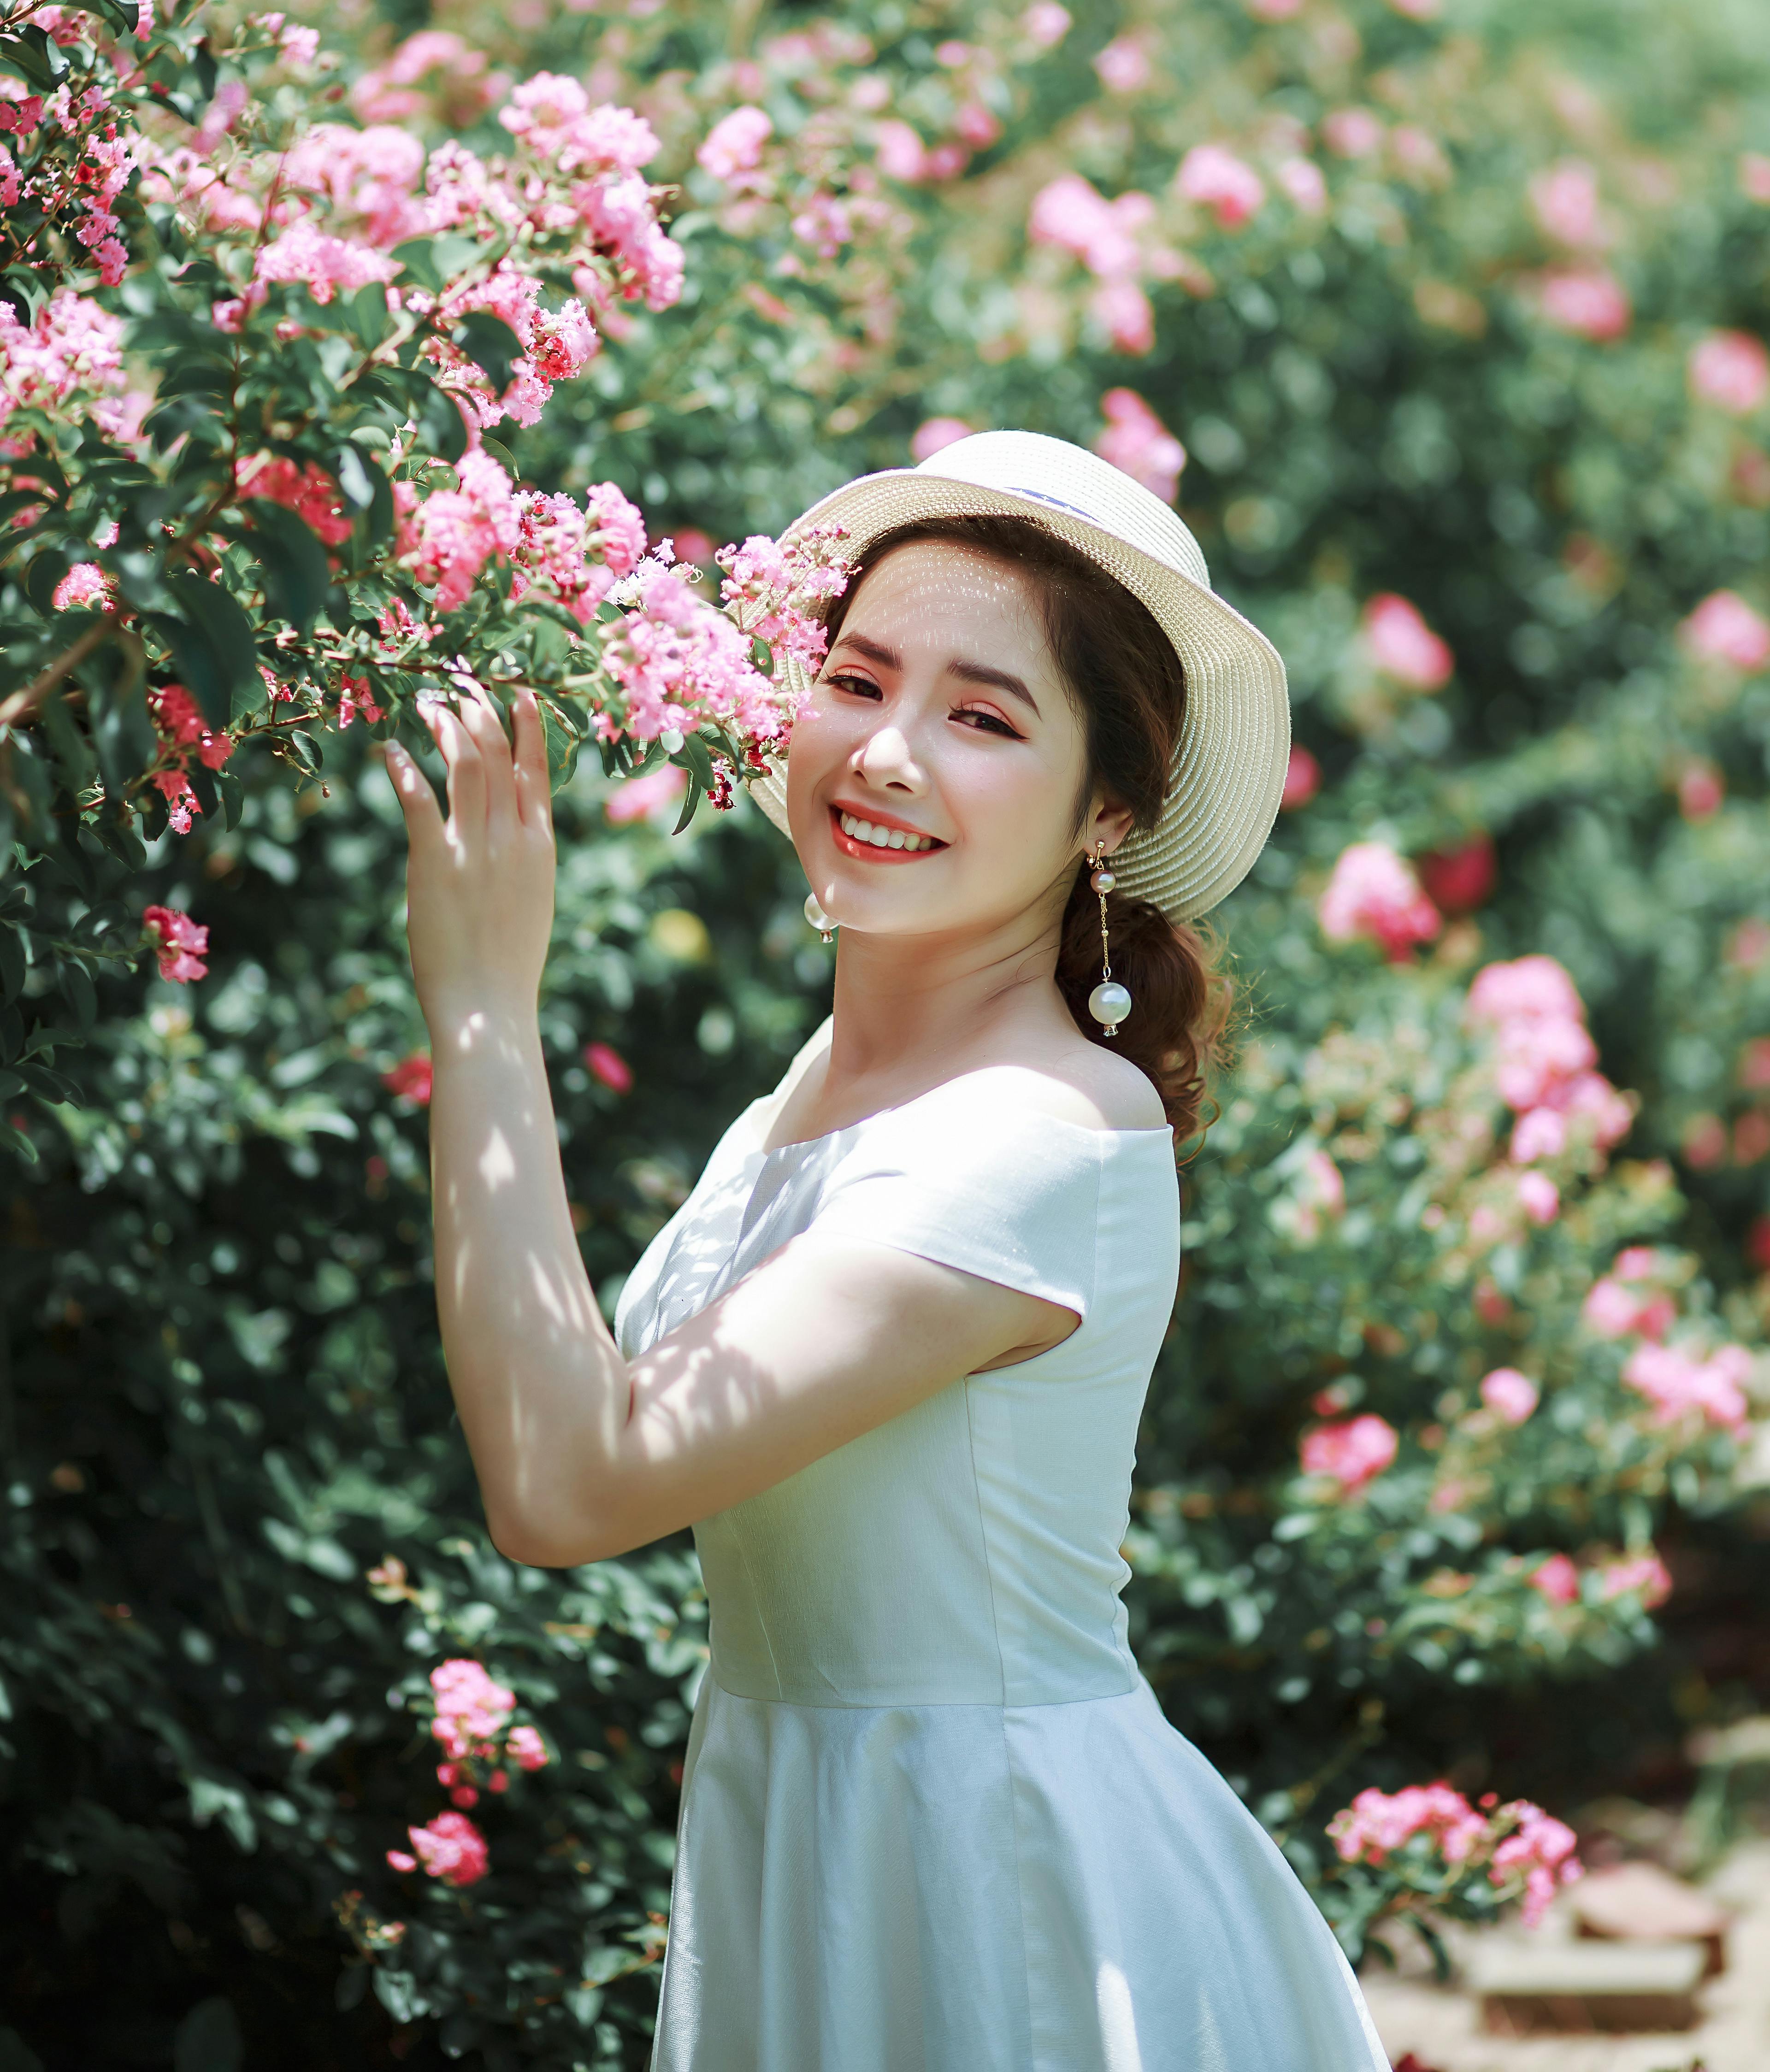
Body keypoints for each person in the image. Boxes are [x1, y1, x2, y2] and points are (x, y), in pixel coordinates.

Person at [387, 429, 1391, 2072]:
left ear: (1105, 814)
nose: (889, 754)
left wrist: (487, 1010)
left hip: (996, 1886)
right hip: (811, 1838)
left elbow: (572, 1488)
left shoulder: (1037, 1138)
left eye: (983, 718)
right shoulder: (817, 1086)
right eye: (857, 680)